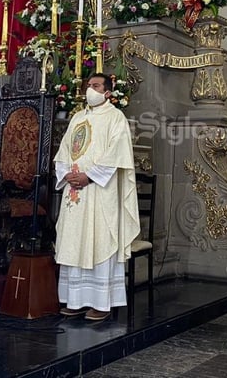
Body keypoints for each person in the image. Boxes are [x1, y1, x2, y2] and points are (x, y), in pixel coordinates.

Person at [54, 73, 139, 322]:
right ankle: (75, 300)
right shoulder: (77, 118)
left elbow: (117, 154)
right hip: (75, 192)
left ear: (108, 92)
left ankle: (102, 303)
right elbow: (64, 151)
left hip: (100, 192)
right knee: (75, 241)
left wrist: (89, 177)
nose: (90, 89)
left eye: (96, 86)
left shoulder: (116, 118)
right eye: (88, 85)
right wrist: (67, 173)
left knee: (99, 240)